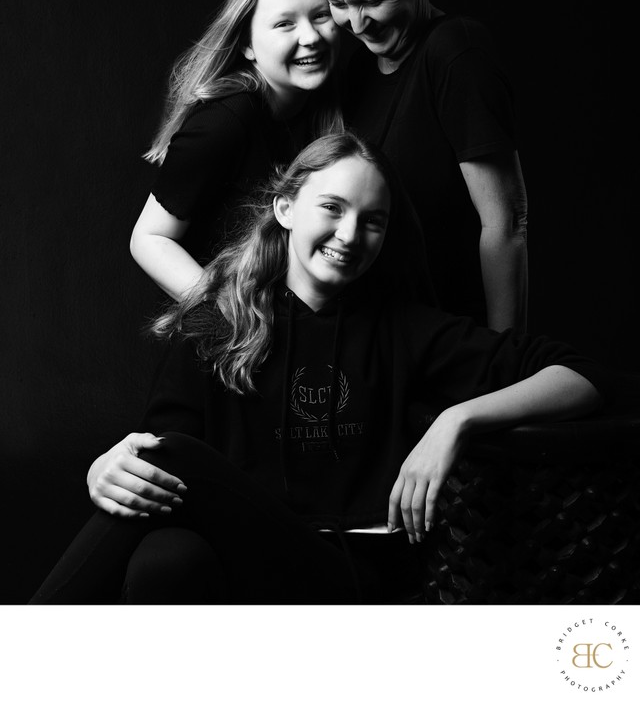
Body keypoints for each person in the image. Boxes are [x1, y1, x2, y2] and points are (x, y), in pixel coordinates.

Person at [30, 132, 606, 605]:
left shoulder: (406, 329)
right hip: (236, 564)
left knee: (170, 457)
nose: (350, 235)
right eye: (332, 207)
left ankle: (25, 656)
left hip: (346, 576)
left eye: (373, 220)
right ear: (285, 208)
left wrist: (457, 420)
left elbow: (583, 376)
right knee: (165, 560)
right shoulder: (216, 326)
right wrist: (109, 469)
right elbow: (155, 461)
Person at [294, 0, 528, 332]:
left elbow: (508, 221)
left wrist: (503, 360)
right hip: (378, 343)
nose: (357, 24)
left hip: (448, 336)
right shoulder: (355, 71)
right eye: (338, 3)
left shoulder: (457, 54)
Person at [130, 0, 343, 301]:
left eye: (321, 16)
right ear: (247, 44)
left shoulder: (320, 107)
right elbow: (149, 239)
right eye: (284, 23)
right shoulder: (225, 121)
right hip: (233, 342)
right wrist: (229, 317)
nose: (311, 37)